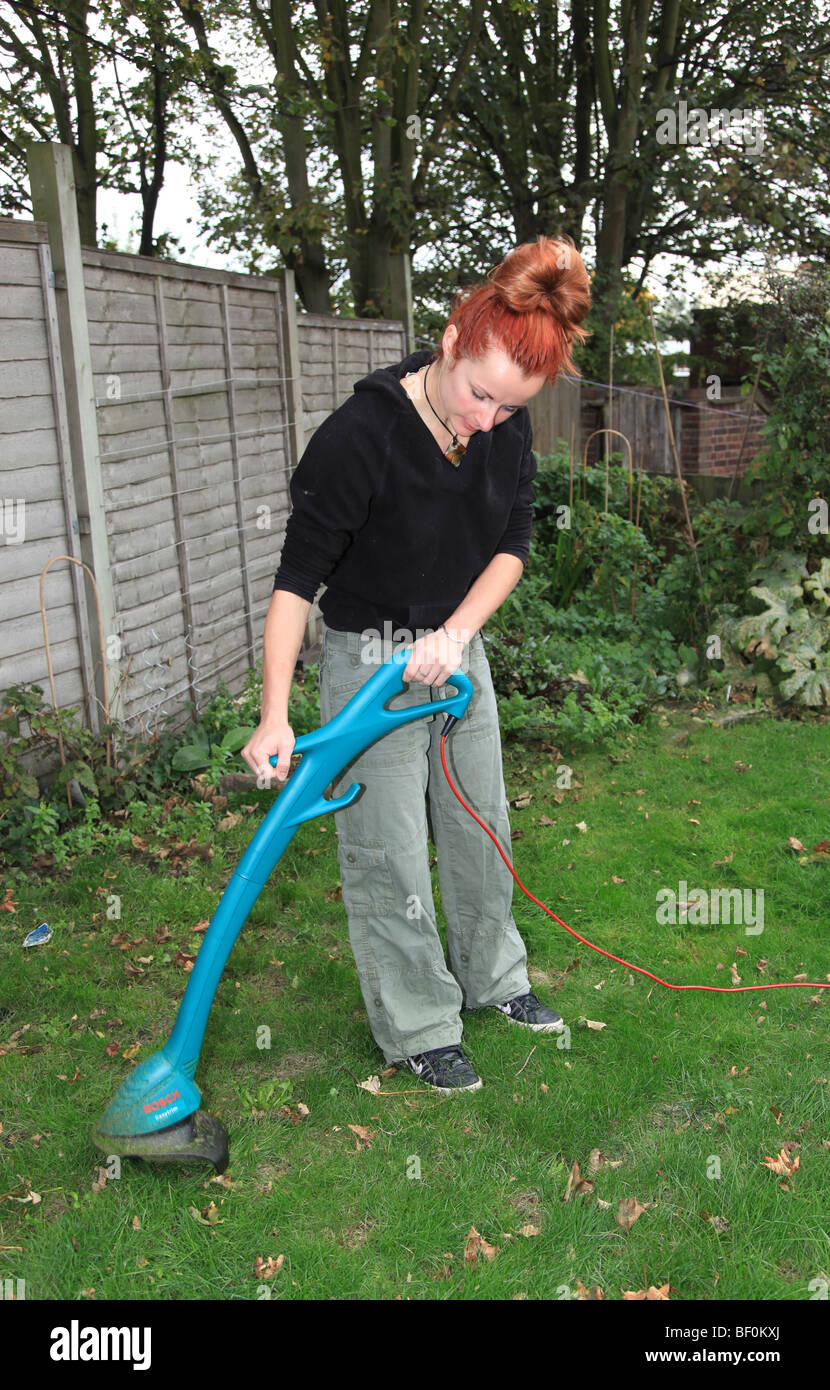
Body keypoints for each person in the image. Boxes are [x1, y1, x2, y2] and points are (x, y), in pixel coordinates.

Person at [241, 234, 591, 1094]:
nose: (487, 422)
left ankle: (495, 980)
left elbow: (512, 545)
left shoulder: (502, 433)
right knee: (388, 849)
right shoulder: (359, 437)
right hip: (371, 665)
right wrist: (275, 713)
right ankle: (419, 1025)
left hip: (457, 655)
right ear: (449, 340)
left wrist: (458, 632)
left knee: (481, 827)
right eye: (480, 397)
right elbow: (296, 581)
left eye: (511, 409)